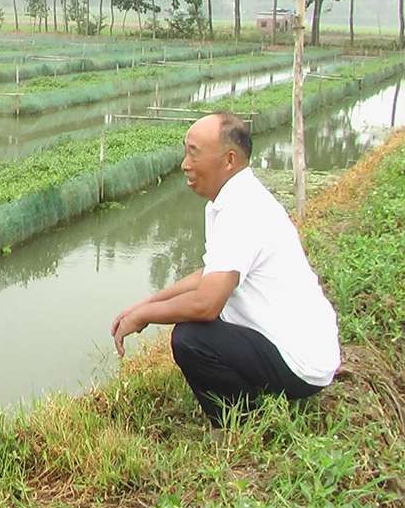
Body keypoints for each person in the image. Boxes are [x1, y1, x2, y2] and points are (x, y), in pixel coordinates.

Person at [110, 111, 341, 428]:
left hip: (301, 362)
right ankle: (253, 399)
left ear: (229, 160)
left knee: (191, 338)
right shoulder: (231, 200)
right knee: (198, 322)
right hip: (303, 350)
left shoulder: (242, 209)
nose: (185, 164)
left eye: (194, 153)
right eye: (185, 151)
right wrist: (149, 303)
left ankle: (242, 421)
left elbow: (206, 304)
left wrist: (144, 316)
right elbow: (211, 273)